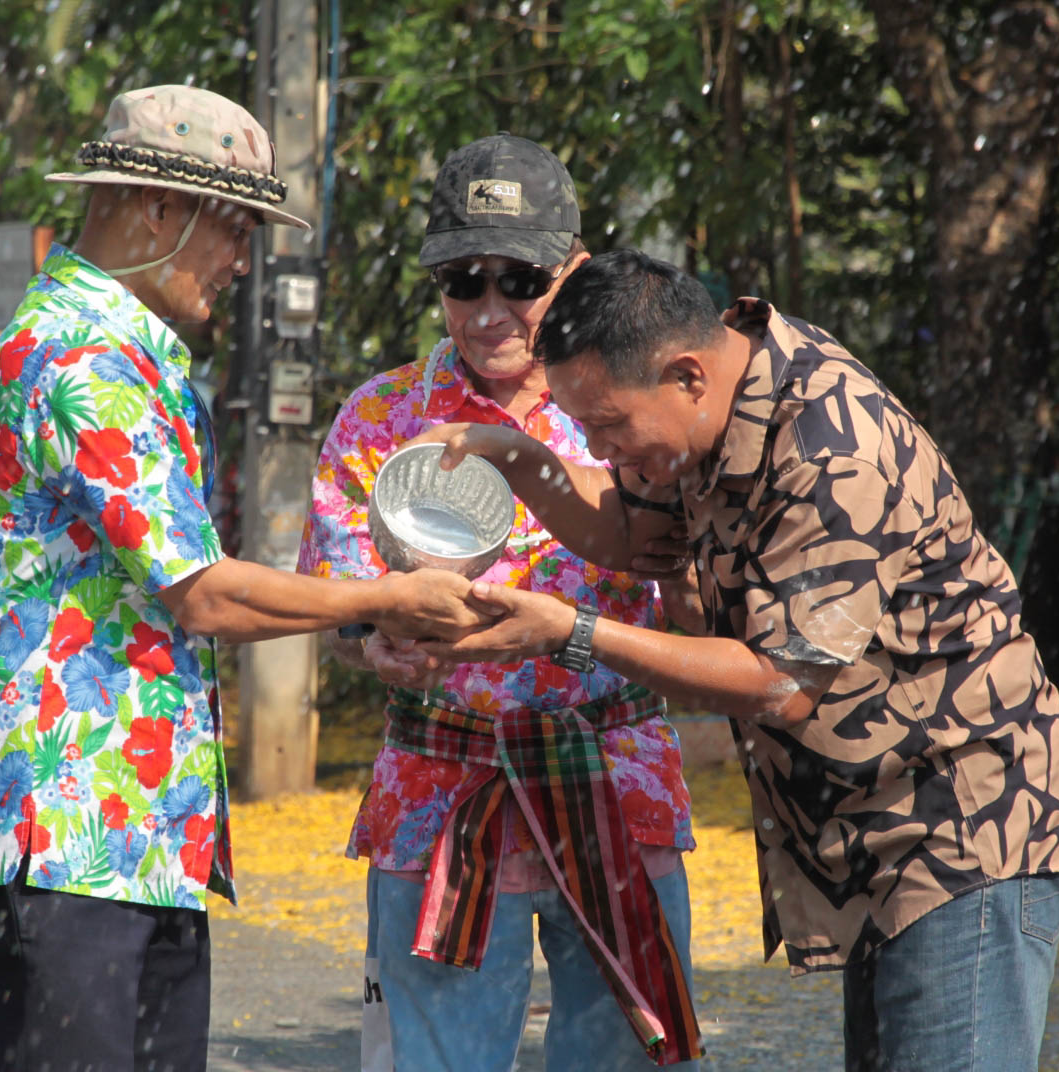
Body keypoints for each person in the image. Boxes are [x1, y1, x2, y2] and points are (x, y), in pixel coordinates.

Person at [417, 249, 1059, 1072]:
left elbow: (782, 682)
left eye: (607, 426)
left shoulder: (830, 450)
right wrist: (509, 454)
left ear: (686, 375)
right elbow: (631, 533)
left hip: (962, 829)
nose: (603, 451)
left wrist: (573, 632)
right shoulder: (716, 396)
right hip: (879, 839)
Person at [0, 85, 491, 1072]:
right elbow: (205, 594)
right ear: (155, 209)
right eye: (234, 229)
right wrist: (387, 598)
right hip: (60, 838)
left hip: (128, 839)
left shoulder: (128, 353)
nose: (242, 262)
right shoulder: (83, 358)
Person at [297, 136, 702, 1071]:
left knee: (625, 1056)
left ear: (575, 271)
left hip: (615, 775)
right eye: (461, 281)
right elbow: (340, 605)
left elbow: (695, 599)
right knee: (436, 1061)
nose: (487, 311)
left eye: (519, 280)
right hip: (441, 784)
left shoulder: (633, 406)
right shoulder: (379, 417)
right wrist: (371, 642)